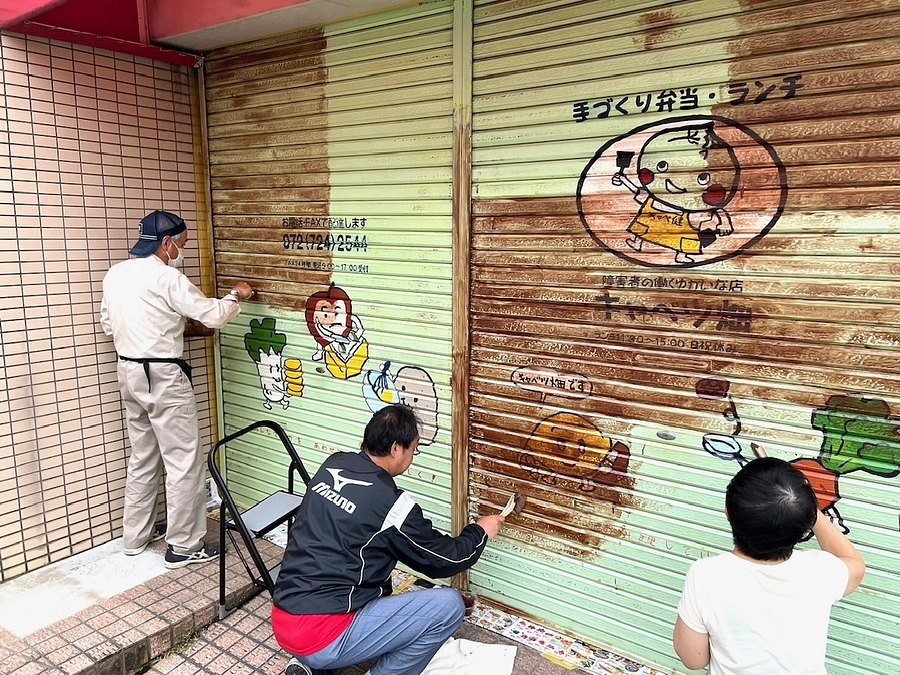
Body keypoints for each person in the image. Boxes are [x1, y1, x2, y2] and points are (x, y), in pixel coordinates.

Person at [272, 403, 506, 675]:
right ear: (397, 448)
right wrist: (480, 531)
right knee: (450, 606)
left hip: (284, 615)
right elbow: (447, 559)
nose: (413, 457)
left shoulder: (333, 464)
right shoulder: (391, 505)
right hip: (321, 632)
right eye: (414, 450)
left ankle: (311, 666)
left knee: (377, 577)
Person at [100, 210, 254, 569]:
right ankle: (184, 546)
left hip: (128, 371)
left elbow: (109, 324)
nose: (181, 252)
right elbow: (212, 315)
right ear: (167, 243)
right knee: (183, 461)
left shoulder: (116, 274)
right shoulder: (168, 278)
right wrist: (236, 295)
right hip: (163, 375)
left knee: (142, 456)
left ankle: (135, 538)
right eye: (181, 245)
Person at [673, 457, 866, 674]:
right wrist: (808, 508)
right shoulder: (820, 571)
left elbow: (693, 660)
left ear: (728, 513)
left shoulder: (706, 576)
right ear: (805, 524)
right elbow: (855, 563)